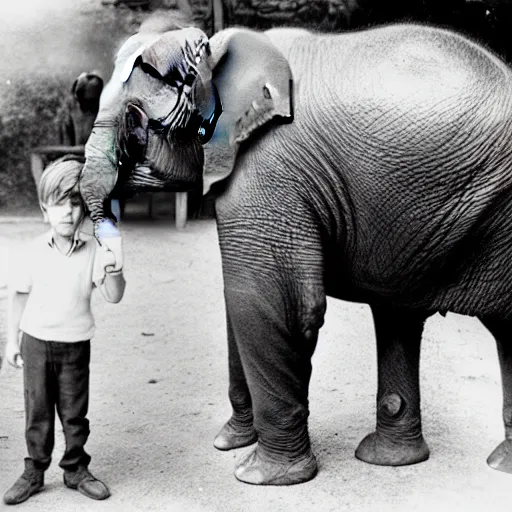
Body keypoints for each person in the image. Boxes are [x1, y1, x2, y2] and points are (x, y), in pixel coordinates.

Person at [3, 156, 126, 505]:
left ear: (86, 209)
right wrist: (11, 340)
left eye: (76, 203)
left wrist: (114, 267)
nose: (68, 212)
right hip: (36, 344)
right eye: (59, 203)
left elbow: (114, 296)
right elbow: (18, 297)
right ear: (45, 210)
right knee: (37, 411)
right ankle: (35, 470)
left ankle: (75, 468)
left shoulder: (94, 250)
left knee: (75, 413)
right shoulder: (32, 251)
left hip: (75, 346)